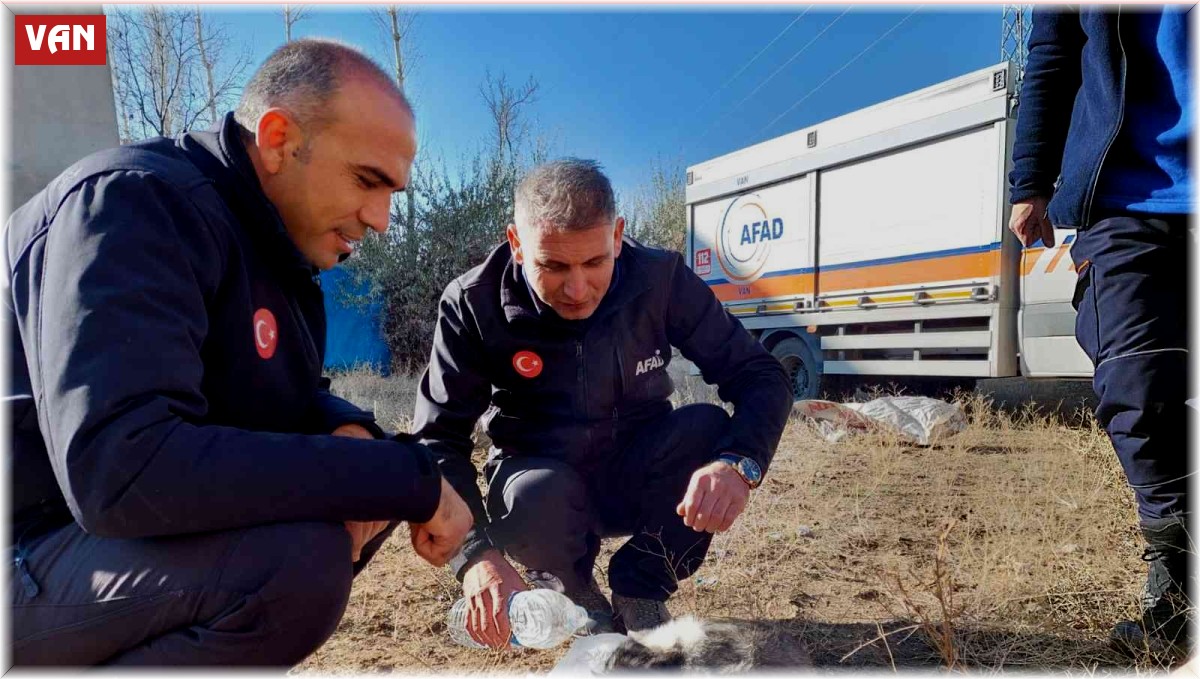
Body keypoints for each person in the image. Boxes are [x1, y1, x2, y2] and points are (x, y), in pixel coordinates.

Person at [5, 39, 472, 666]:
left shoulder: (274, 252)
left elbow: (273, 402)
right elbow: (123, 470)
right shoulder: (134, 203)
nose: (383, 218)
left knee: (348, 493)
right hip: (28, 546)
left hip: (77, 551)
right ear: (278, 139)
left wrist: (348, 427)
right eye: (367, 180)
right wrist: (403, 478)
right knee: (292, 561)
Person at [413, 158, 793, 647]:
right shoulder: (472, 303)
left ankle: (641, 587)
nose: (576, 289)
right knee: (531, 495)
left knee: (707, 430)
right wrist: (476, 556)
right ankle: (575, 594)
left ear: (617, 236)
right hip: (540, 485)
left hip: (637, 472)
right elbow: (437, 436)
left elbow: (761, 375)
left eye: (594, 262)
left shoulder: (662, 281)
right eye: (551, 265)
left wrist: (740, 465)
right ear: (516, 243)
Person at [1007, 7, 1192, 654]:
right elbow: (1053, 54)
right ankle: (1179, 595)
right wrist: (1029, 180)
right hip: (1130, 194)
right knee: (1136, 389)